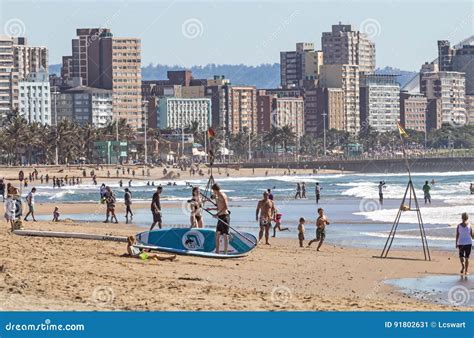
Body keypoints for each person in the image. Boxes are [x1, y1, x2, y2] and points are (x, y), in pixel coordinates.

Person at [208, 183, 230, 254]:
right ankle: (217, 251)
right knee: (217, 234)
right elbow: (219, 207)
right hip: (220, 216)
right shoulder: (217, 196)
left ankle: (225, 252)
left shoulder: (222, 195)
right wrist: (211, 209)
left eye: (213, 190)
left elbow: (226, 207)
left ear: (215, 189)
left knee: (225, 235)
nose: (213, 192)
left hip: (225, 216)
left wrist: (216, 214)